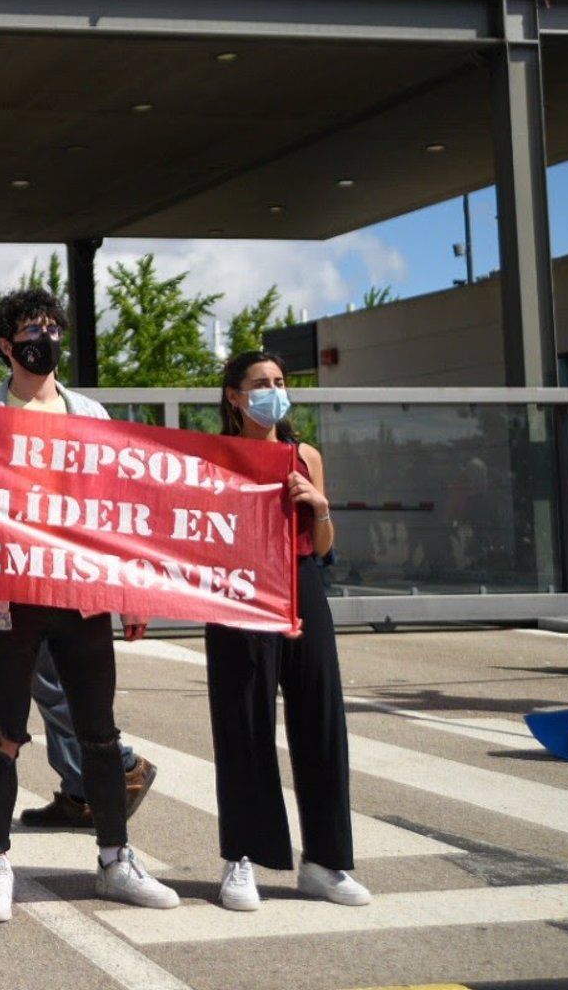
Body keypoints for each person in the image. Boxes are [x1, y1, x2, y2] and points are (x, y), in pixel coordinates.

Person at [0, 286, 180, 919]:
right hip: (8, 597)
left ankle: (115, 859)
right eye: (29, 329)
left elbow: (118, 509)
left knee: (99, 734)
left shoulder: (91, 414)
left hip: (81, 594)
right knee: (4, 733)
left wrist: (133, 589)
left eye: (50, 326)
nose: (42, 337)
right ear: (5, 345)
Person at [205, 350, 370, 911]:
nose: (272, 391)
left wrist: (320, 507)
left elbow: (323, 547)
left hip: (301, 584)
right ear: (233, 396)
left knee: (321, 718)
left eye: (278, 382)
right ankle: (242, 858)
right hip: (240, 589)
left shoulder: (306, 455)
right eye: (259, 383)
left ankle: (325, 862)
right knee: (244, 720)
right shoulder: (214, 457)